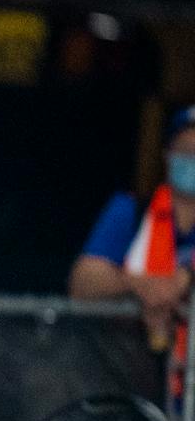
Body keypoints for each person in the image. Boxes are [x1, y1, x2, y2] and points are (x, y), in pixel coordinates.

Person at [70, 103, 195, 391]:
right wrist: (138, 284)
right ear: (167, 155)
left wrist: (183, 281)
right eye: (186, 151)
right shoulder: (131, 210)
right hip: (128, 379)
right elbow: (82, 283)